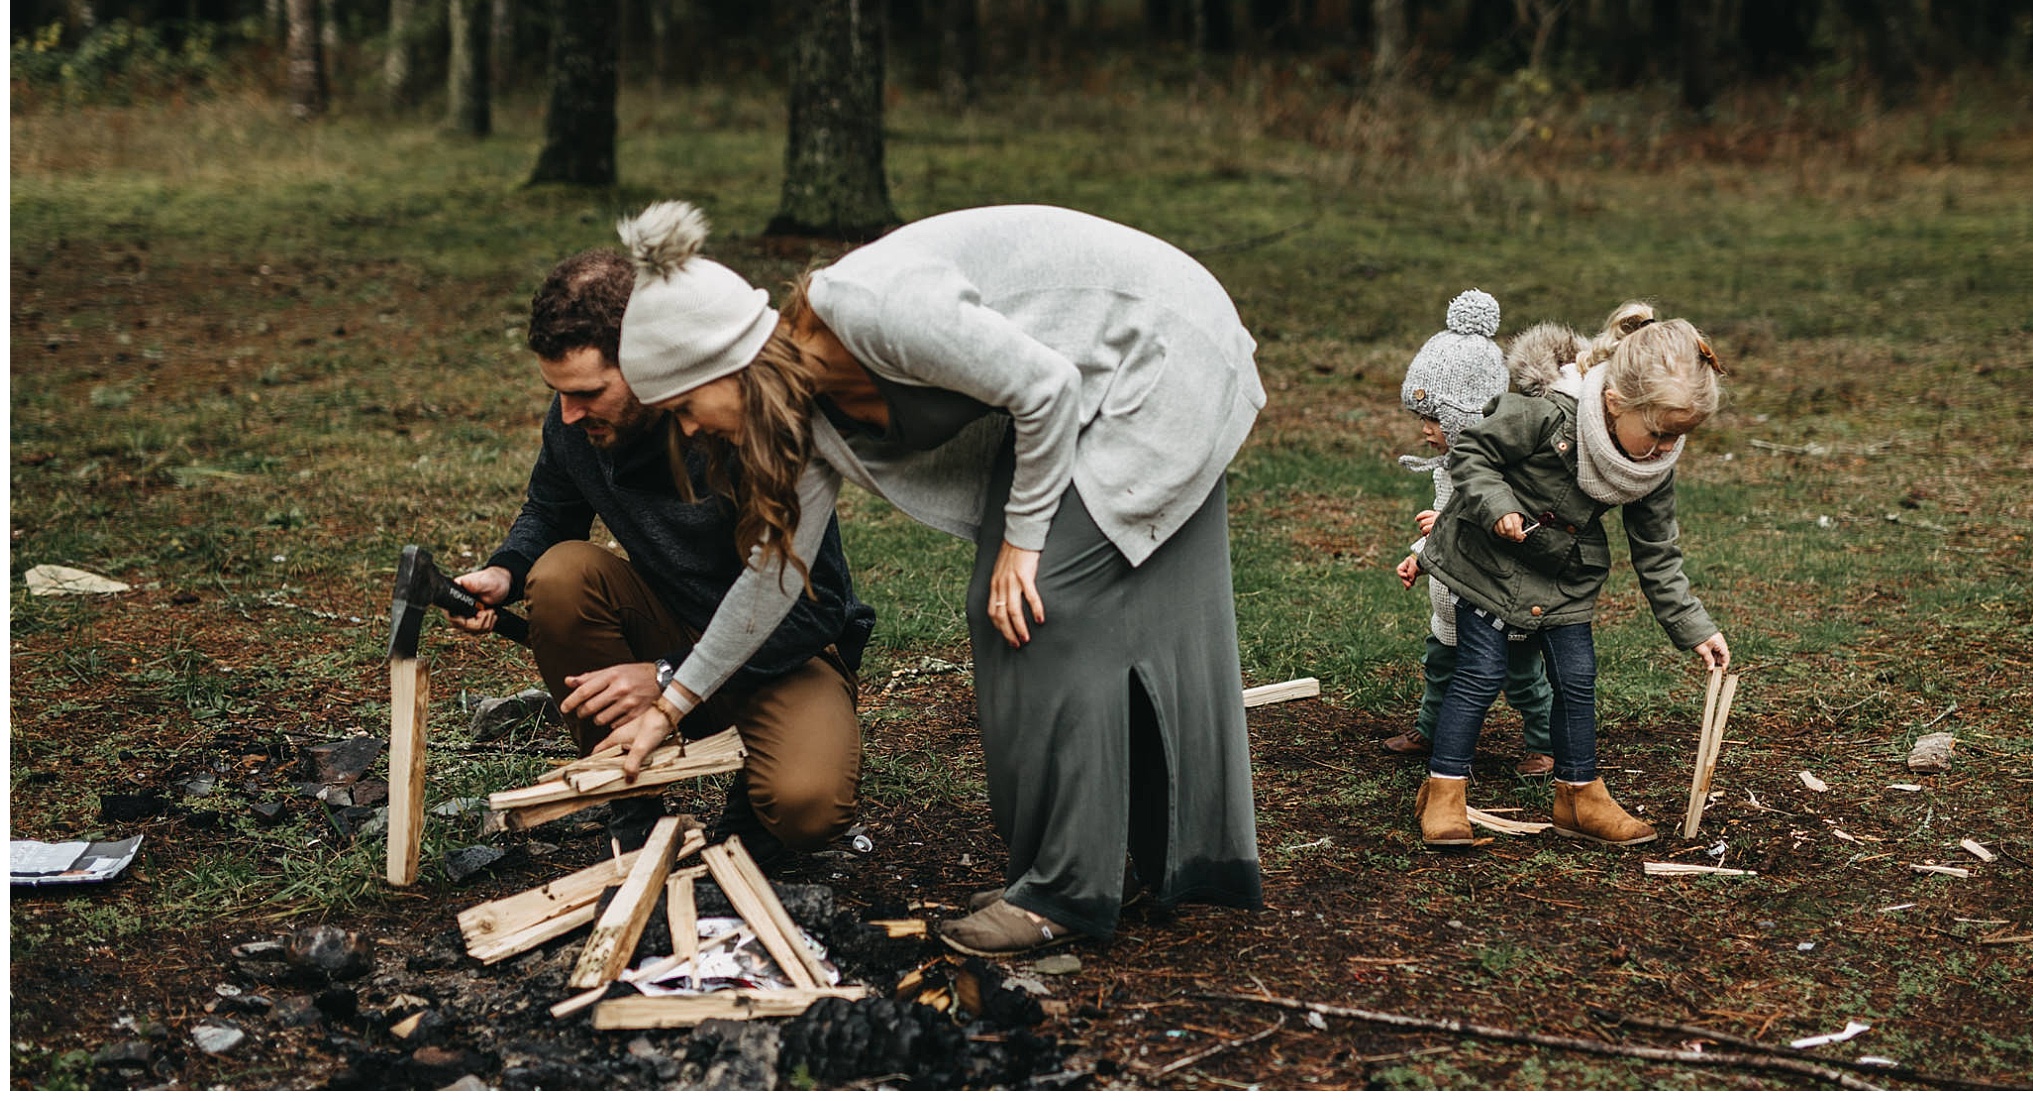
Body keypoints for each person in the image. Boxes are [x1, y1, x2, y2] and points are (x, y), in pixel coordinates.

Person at [597, 201, 1266, 956]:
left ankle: (1065, 894)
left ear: (726, 365)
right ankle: (1087, 868)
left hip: (1157, 352)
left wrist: (1022, 540)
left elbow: (1044, 386)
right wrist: (673, 702)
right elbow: (773, 578)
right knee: (1008, 612)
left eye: (684, 407)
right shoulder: (809, 409)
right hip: (1084, 387)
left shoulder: (871, 311)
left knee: (1046, 607)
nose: (688, 430)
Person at [449, 247, 874, 860]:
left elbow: (814, 607)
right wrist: (503, 571)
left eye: (589, 391)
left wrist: (669, 675)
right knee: (562, 576)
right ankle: (632, 793)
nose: (569, 413)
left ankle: (753, 802)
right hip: (674, 619)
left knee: (807, 807)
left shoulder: (736, 419)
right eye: (558, 393)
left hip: (785, 647)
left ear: (648, 360)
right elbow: (551, 510)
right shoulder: (576, 418)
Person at [1413, 302, 1732, 848]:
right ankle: (1443, 790)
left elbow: (1656, 551)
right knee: (1481, 674)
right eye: (1656, 433)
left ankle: (1579, 796)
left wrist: (1694, 626)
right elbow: (1472, 451)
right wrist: (1497, 506)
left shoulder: (1650, 467)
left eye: (1677, 439)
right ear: (1613, 401)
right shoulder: (1546, 414)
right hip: (1488, 560)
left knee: (1577, 679)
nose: (1662, 450)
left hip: (1562, 576)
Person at [1386, 290, 1553, 775]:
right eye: (1421, 419)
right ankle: (1430, 727)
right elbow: (1445, 522)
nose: (1425, 431)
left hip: (1498, 599)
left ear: (1468, 415)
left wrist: (1449, 524)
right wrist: (1421, 553)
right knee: (1440, 663)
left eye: (1434, 419)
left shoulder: (1505, 467)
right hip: (1451, 596)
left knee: (1521, 675)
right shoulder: (1446, 468)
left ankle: (1542, 743)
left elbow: (1504, 521)